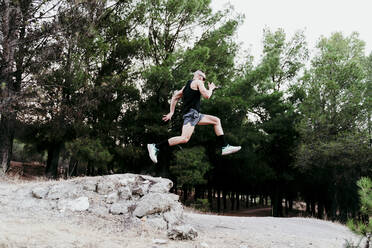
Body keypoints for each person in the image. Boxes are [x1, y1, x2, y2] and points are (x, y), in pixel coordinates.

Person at [147, 70, 241, 163]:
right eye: (204, 79)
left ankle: (225, 146)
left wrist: (171, 112)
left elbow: (175, 97)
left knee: (216, 120)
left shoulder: (185, 87)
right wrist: (211, 89)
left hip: (196, 115)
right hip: (192, 115)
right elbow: (207, 95)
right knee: (184, 138)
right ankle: (155, 146)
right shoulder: (198, 82)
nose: (203, 81)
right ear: (200, 77)